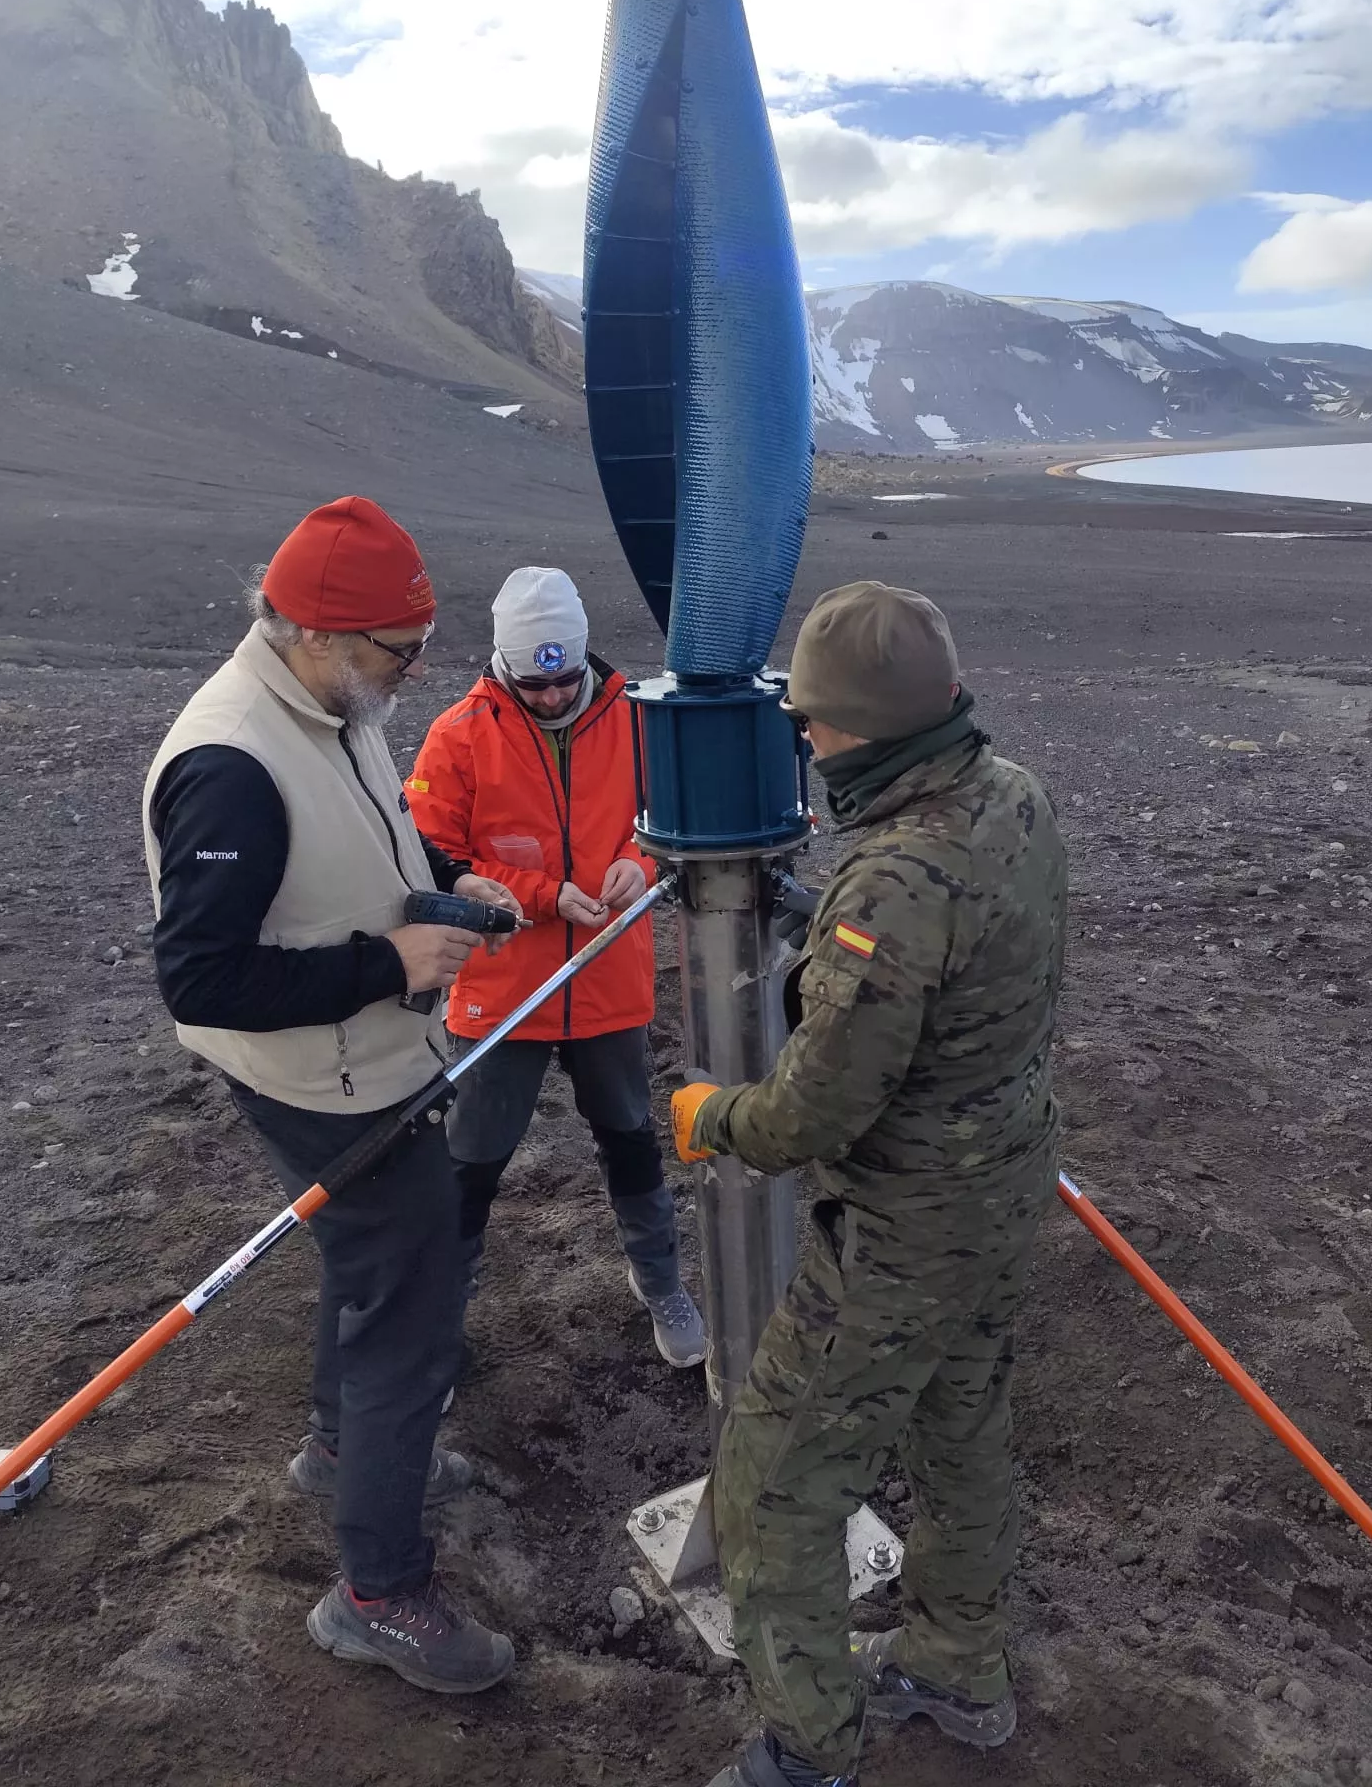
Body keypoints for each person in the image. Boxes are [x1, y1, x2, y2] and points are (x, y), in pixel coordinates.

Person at [670, 581, 1068, 1787]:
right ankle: (960, 1665)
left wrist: (711, 1117)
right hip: (1002, 1193)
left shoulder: (891, 886)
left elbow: (813, 1114)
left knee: (773, 1491)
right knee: (963, 1436)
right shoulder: (1016, 797)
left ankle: (807, 1752)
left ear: (866, 730)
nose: (807, 743)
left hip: (901, 1233)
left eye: (816, 726)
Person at [142, 495, 521, 1695]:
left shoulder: (331, 700)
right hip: (329, 1080)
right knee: (409, 1312)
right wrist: (388, 966)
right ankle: (377, 1593)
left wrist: (446, 889)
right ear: (316, 631)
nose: (411, 676)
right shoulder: (231, 764)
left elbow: (371, 837)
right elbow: (198, 980)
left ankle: (336, 1448)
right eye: (397, 652)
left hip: (368, 1057)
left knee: (371, 1267)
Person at [406, 565, 707, 1368]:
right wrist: (542, 895)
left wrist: (641, 868)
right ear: (503, 665)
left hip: (610, 977)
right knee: (472, 1162)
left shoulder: (639, 720)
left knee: (630, 1140)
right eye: (531, 685)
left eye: (564, 681)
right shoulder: (458, 735)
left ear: (583, 659)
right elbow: (431, 854)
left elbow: (674, 822)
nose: (549, 698)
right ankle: (437, 1325)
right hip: (504, 990)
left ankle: (660, 1280)